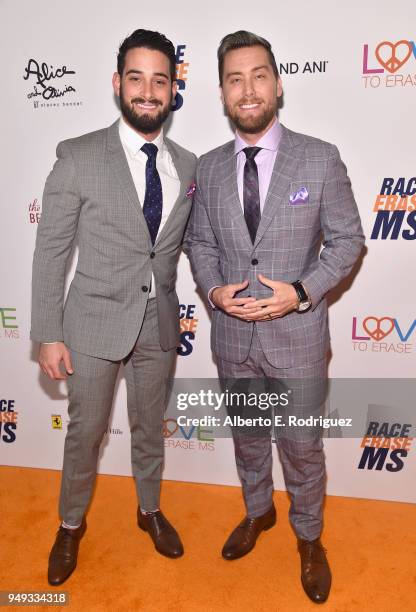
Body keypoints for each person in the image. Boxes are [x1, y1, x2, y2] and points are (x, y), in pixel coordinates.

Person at [184, 30, 364, 604]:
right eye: (235, 79)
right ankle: (258, 513)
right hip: (233, 339)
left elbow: (347, 242)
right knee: (248, 440)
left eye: (258, 74)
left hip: (298, 340)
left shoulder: (320, 157)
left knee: (303, 446)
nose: (248, 88)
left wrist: (302, 293)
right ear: (221, 92)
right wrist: (213, 293)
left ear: (278, 83)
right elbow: (200, 244)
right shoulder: (209, 169)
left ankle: (309, 538)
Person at [31, 28, 197, 586]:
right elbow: (51, 249)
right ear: (117, 84)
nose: (148, 90)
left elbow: (189, 243)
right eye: (137, 78)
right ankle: (70, 524)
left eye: (160, 79)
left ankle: (148, 508)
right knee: (86, 432)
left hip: (159, 323)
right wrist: (47, 333)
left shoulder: (190, 164)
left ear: (174, 88)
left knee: (150, 426)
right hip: (93, 322)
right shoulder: (77, 156)